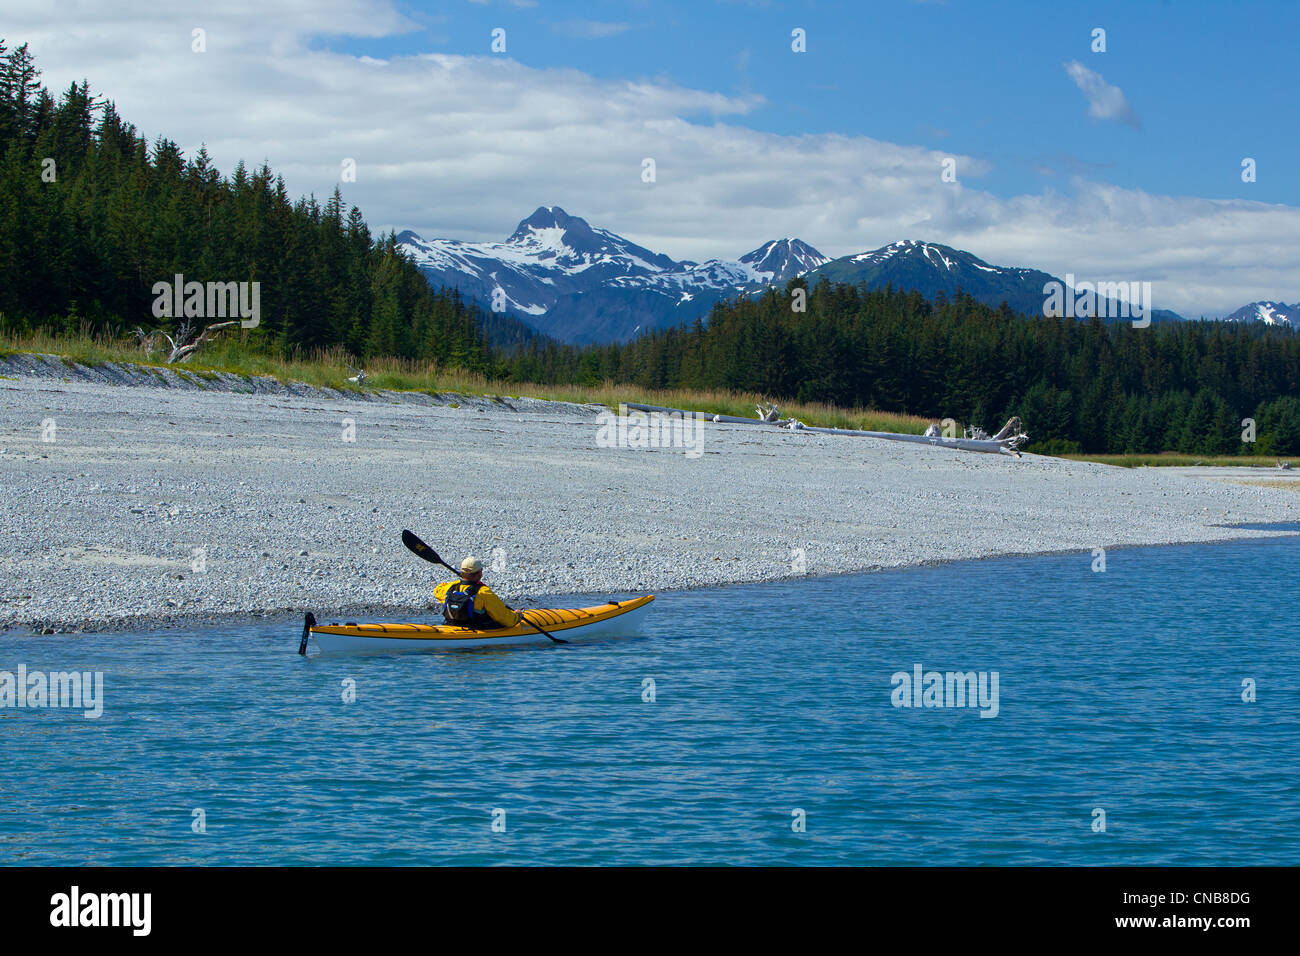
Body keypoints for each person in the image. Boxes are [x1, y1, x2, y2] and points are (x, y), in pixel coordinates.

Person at [434, 556, 522, 629]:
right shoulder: (483, 592)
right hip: (477, 629)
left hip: (452, 626)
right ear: (480, 574)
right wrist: (516, 616)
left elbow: (437, 590)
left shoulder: (450, 588)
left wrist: (459, 581)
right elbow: (504, 618)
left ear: (462, 572)